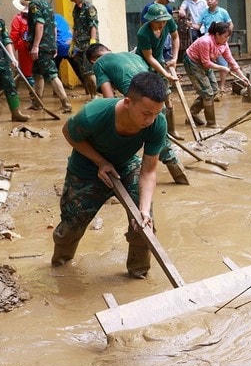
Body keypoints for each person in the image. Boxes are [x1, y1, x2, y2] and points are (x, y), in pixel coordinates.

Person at [51, 71, 168, 279]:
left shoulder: (157, 123)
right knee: (70, 228)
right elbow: (68, 133)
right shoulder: (93, 114)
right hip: (85, 168)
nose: (150, 120)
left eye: (156, 113)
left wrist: (143, 209)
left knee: (144, 224)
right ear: (127, 102)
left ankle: (138, 274)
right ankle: (61, 269)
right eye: (146, 113)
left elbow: (149, 171)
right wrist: (100, 161)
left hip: (125, 164)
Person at [87, 43, 189, 184]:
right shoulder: (131, 55)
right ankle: (180, 177)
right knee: (160, 136)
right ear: (109, 50)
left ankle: (177, 174)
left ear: (93, 60)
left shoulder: (99, 64)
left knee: (153, 141)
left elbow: (109, 100)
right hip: (159, 99)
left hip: (142, 105)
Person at [17, 0, 72, 113]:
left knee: (51, 74)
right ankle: (37, 103)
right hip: (47, 45)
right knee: (38, 74)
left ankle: (66, 104)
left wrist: (35, 46)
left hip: (41, 47)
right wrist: (53, 45)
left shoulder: (34, 4)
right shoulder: (45, 3)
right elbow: (53, 25)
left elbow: (39, 25)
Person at [183, 21, 248, 127]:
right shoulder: (205, 41)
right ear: (217, 34)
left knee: (214, 90)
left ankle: (192, 114)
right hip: (193, 62)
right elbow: (206, 63)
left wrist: (242, 77)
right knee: (207, 93)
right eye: (225, 36)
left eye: (228, 37)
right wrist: (222, 67)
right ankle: (211, 123)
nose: (227, 39)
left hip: (205, 63)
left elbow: (231, 60)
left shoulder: (223, 44)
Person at [135, 3, 182, 137]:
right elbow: (149, 58)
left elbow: (175, 37)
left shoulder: (168, 22)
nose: (161, 25)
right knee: (151, 98)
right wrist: (166, 74)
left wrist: (174, 58)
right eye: (157, 22)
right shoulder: (143, 33)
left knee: (166, 95)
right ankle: (155, 132)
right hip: (144, 63)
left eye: (163, 21)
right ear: (151, 20)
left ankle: (172, 130)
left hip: (159, 60)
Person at [65, 0, 99, 98]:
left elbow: (93, 25)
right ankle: (90, 95)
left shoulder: (89, 8)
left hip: (88, 44)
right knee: (83, 72)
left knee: (90, 72)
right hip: (79, 45)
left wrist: (93, 42)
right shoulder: (75, 8)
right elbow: (75, 27)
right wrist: (72, 43)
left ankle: (95, 97)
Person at [198, 0, 233, 95]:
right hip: (208, 44)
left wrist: (226, 36)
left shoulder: (223, 12)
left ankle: (222, 87)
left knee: (223, 64)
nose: (209, 1)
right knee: (207, 65)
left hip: (220, 42)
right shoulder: (204, 12)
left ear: (217, 1)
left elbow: (230, 24)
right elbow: (198, 26)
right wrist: (191, 24)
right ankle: (211, 89)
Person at [10, 0, 35, 87]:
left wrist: (12, 52)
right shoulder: (37, 18)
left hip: (24, 49)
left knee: (27, 73)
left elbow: (13, 36)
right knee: (39, 74)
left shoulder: (18, 19)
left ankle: (33, 97)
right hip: (37, 47)